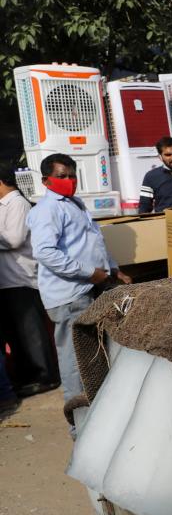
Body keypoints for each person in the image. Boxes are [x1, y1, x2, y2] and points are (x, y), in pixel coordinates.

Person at [26, 154, 131, 407]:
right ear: (46, 180)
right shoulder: (47, 210)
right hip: (70, 294)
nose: (69, 180)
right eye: (62, 176)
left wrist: (113, 270)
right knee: (75, 360)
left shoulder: (75, 203)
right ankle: (79, 422)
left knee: (95, 353)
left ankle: (100, 410)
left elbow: (93, 241)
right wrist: (89, 272)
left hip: (90, 287)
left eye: (72, 175)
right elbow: (45, 253)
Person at [0, 163, 60, 396]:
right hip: (7, 281)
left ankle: (46, 376)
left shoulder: (18, 203)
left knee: (31, 333)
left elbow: (14, 239)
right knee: (15, 335)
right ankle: (27, 378)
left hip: (21, 279)